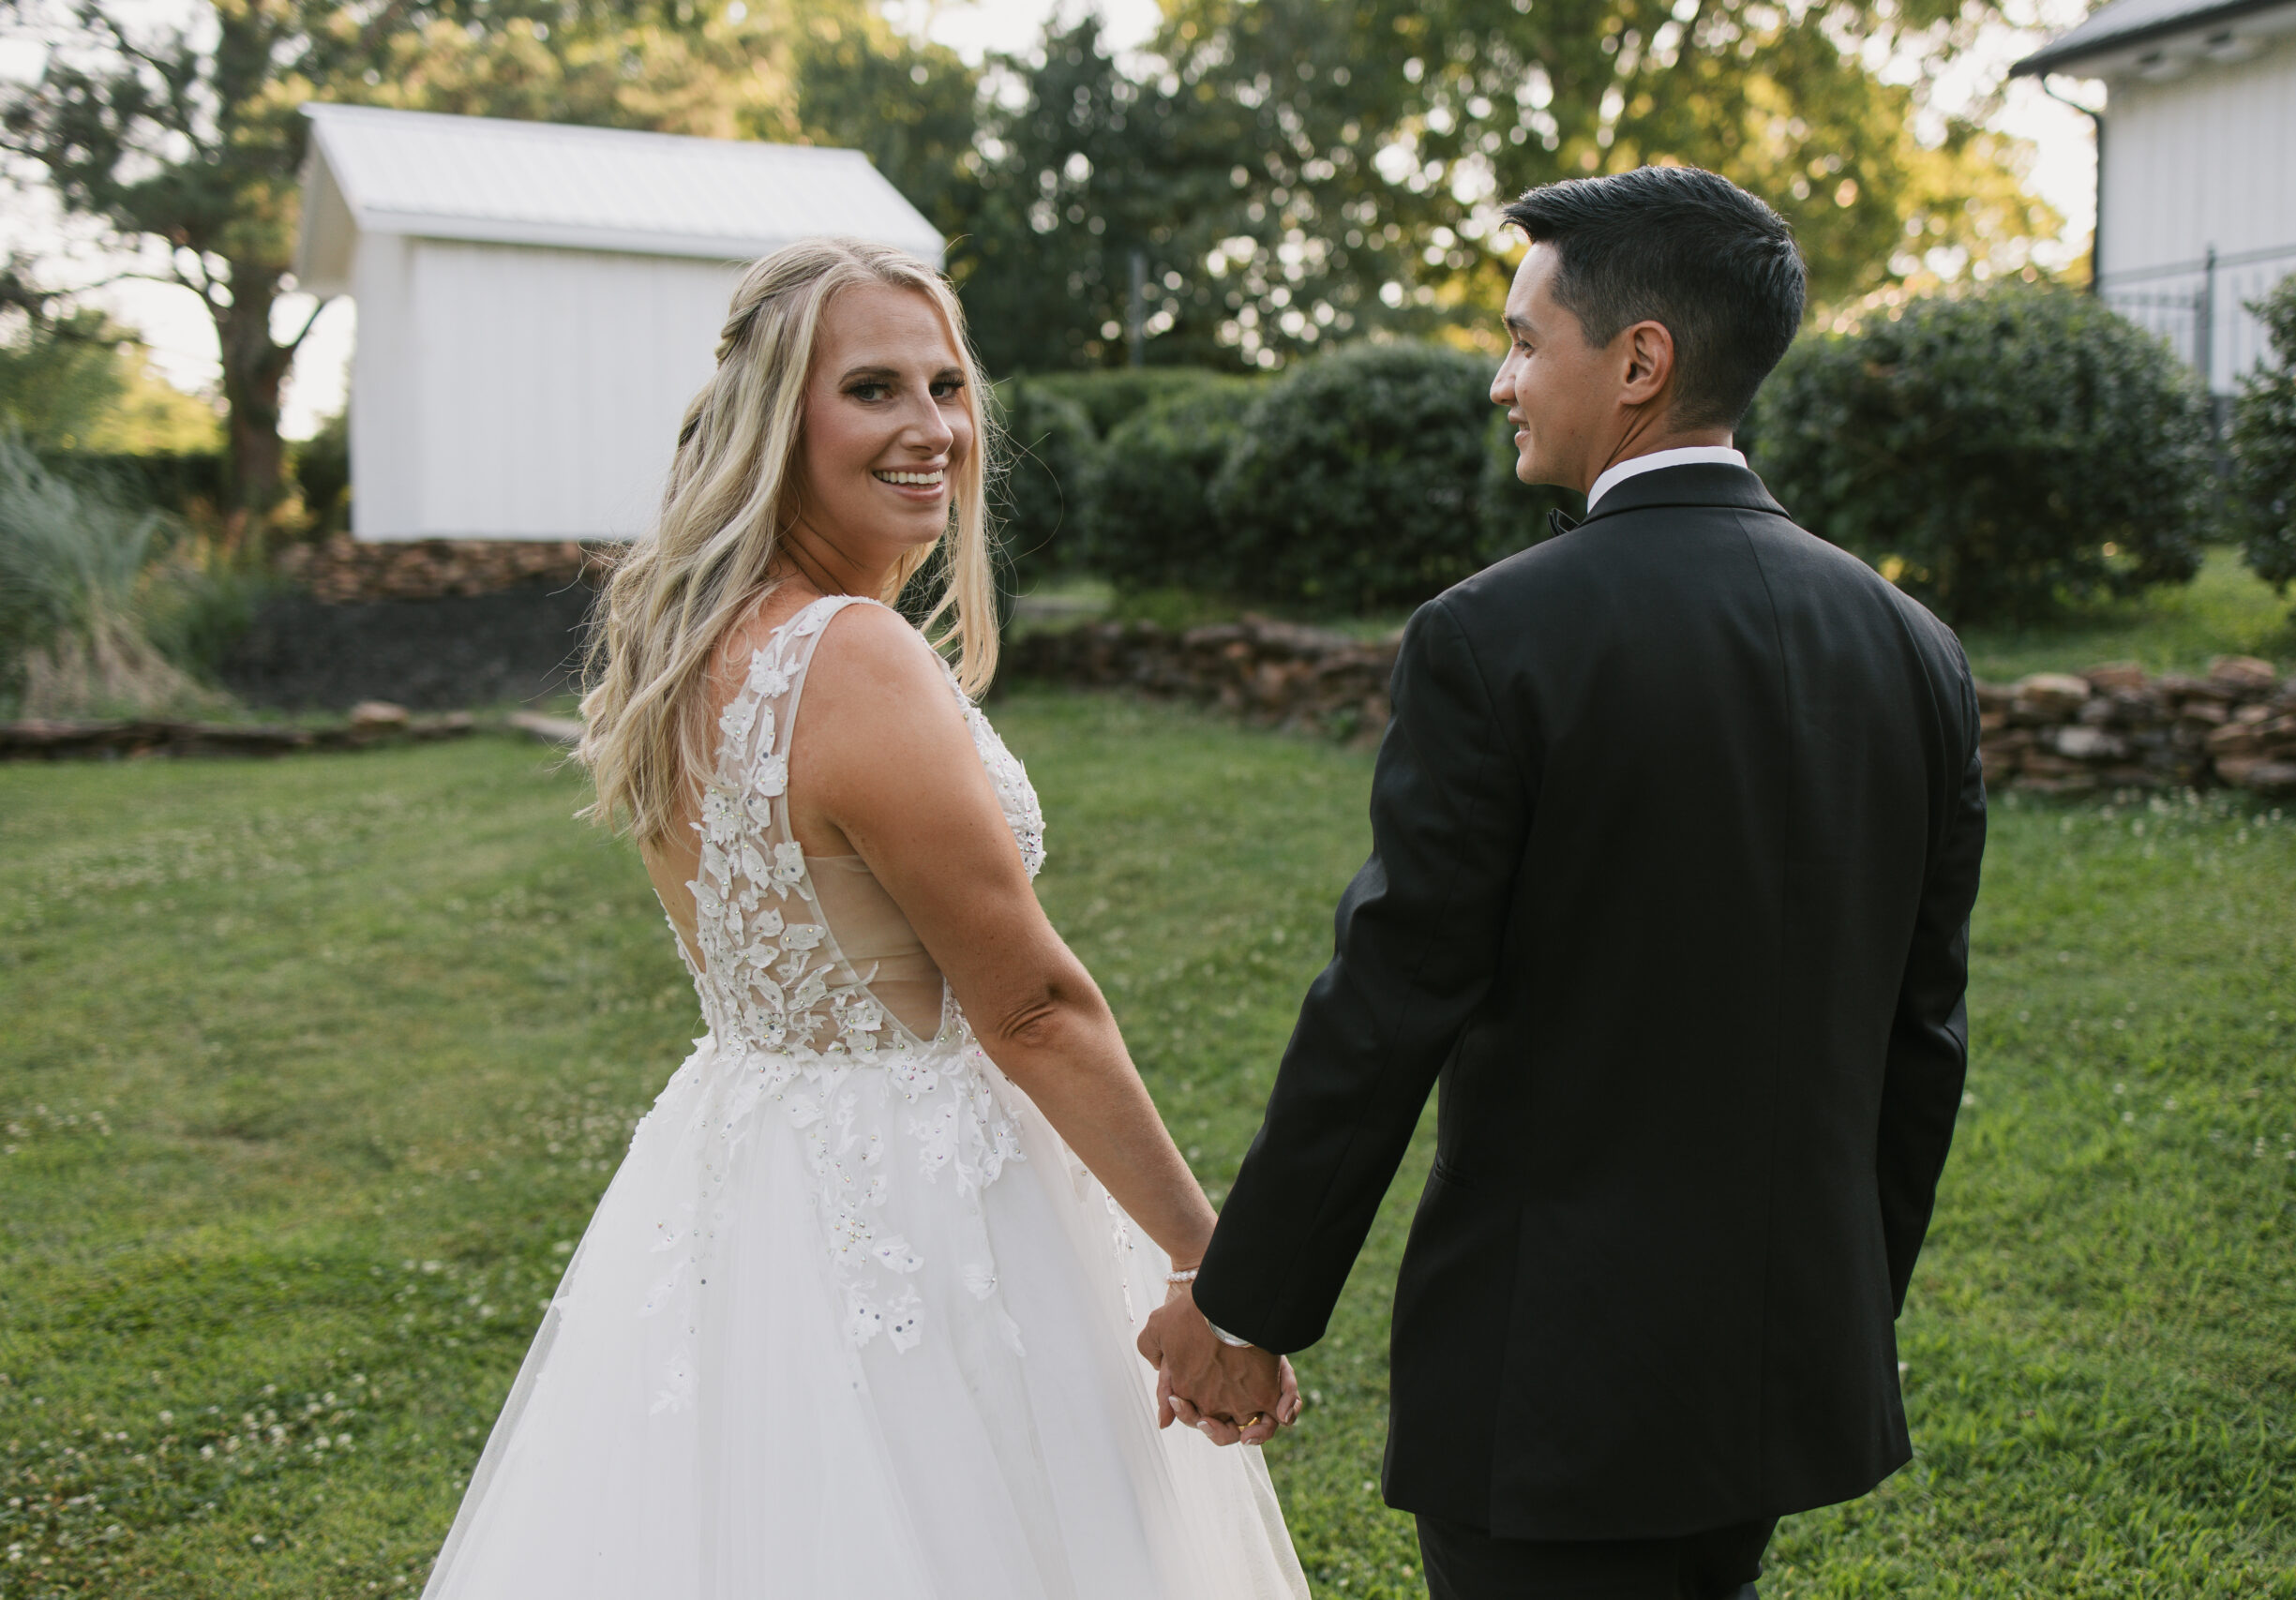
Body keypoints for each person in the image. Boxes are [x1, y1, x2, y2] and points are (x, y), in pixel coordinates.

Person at [1142, 166, 1988, 1600]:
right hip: (1781, 1366)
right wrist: (1837, 1315)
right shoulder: (1912, 646)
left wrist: (1245, 1306)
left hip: (1548, 1386)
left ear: (1641, 360)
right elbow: (1924, 1037)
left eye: (1528, 340)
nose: (1499, 380)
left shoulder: (1495, 639)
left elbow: (1390, 1001)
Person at [421, 237, 1306, 1600]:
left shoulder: (686, 646)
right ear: (782, 419)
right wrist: (1216, 1273)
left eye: (946, 387)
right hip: (920, 1200)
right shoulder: (849, 654)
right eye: (875, 389)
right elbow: (1031, 1008)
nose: (931, 429)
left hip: (743, 1174)